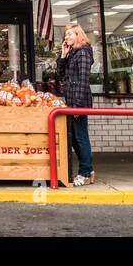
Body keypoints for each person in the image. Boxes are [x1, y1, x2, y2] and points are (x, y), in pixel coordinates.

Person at [57, 23, 95, 186]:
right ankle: (88, 169)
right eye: (66, 35)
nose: (67, 37)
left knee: (81, 137)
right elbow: (60, 75)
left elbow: (83, 81)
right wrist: (63, 56)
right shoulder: (73, 53)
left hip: (79, 103)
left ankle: (85, 173)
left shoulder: (84, 53)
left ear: (79, 35)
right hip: (71, 102)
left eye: (70, 34)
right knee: (73, 138)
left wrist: (78, 106)